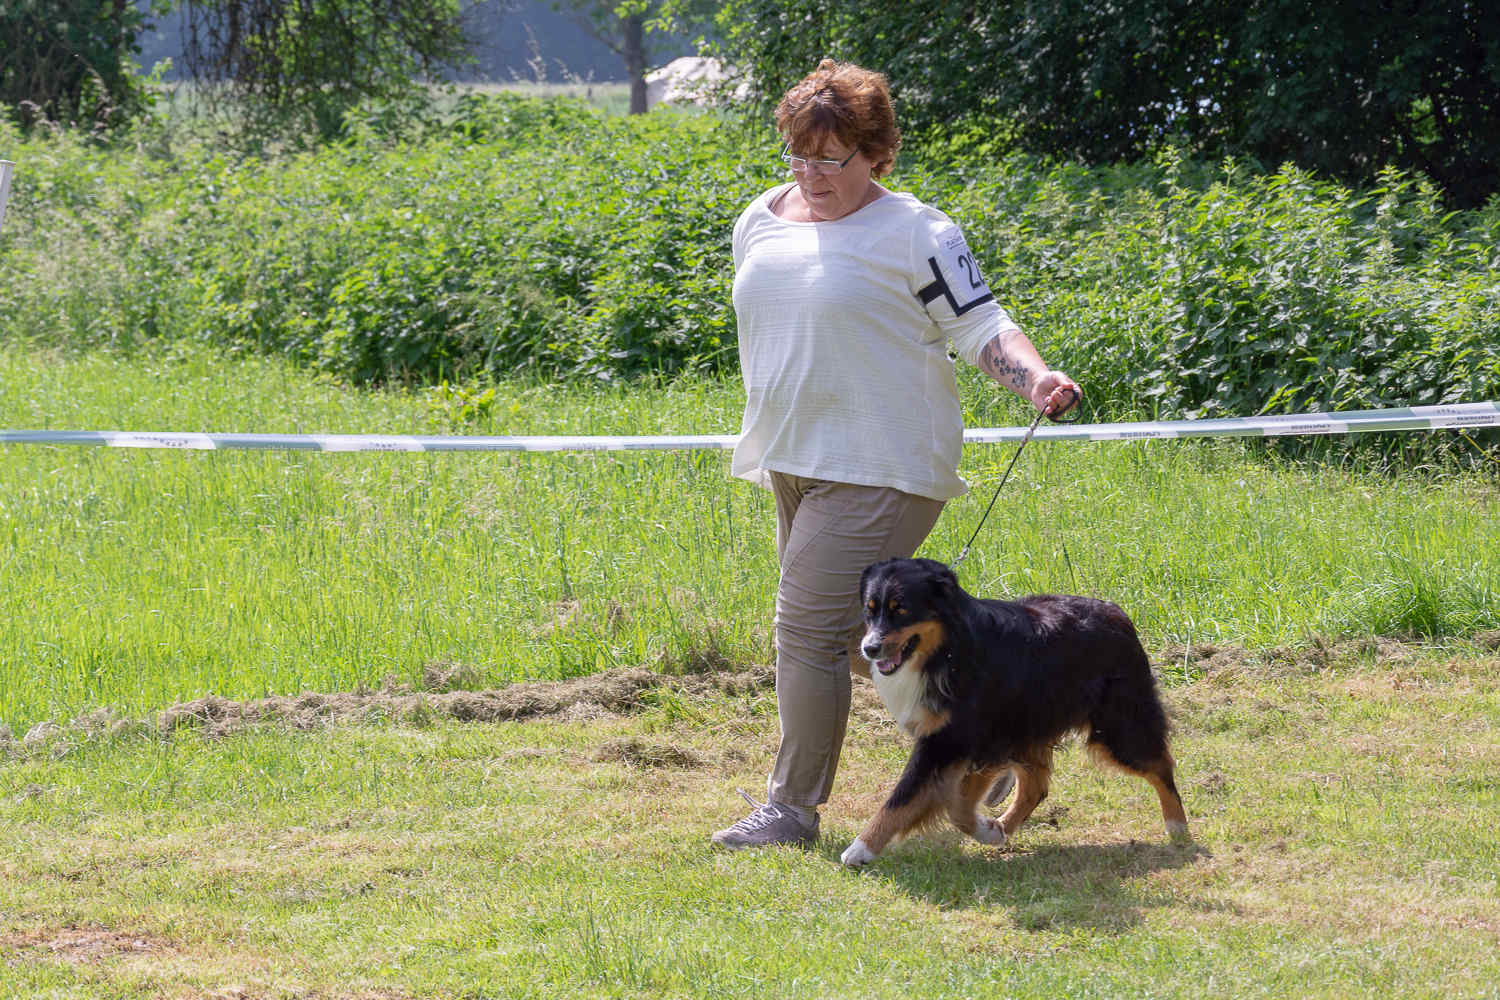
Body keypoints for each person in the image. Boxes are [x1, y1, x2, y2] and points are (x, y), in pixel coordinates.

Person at [711, 59, 1080, 850]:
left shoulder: (917, 231)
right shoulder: (761, 216)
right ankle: (1003, 725)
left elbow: (982, 326)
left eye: (832, 159)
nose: (811, 175)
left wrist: (1035, 376)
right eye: (799, 156)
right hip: (793, 458)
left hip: (883, 462)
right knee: (854, 643)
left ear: (876, 153)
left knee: (805, 628)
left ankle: (791, 811)